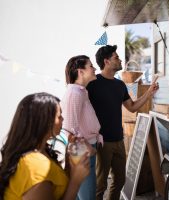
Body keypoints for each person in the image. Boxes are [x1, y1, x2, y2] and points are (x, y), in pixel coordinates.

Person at [87, 45, 159, 200]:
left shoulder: (119, 85)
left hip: (119, 140)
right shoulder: (92, 84)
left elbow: (132, 107)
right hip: (101, 142)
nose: (120, 60)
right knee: (100, 185)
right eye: (116, 57)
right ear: (106, 61)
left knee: (119, 181)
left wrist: (149, 93)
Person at [0, 92, 90, 200]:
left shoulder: (41, 152)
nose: (63, 120)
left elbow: (57, 191)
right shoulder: (35, 165)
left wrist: (70, 166)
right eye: (59, 116)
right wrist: (76, 181)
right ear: (44, 121)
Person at [60, 55, 104, 200]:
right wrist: (88, 148)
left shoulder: (81, 91)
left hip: (86, 150)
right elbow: (69, 130)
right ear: (81, 72)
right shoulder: (75, 93)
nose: (95, 69)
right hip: (83, 153)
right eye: (91, 66)